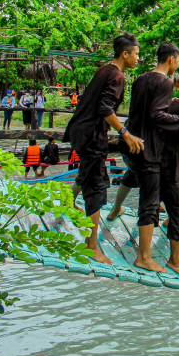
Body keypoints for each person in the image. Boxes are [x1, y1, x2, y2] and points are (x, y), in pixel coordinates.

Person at [115, 44, 179, 274]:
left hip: (137, 145)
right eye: (178, 60)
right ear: (172, 59)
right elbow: (156, 115)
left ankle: (166, 258)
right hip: (152, 150)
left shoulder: (140, 79)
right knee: (153, 204)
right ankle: (145, 257)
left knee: (158, 203)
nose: (178, 64)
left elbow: (144, 112)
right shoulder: (165, 82)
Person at [63, 33, 143, 265]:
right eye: (136, 53)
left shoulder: (105, 70)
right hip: (90, 135)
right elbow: (105, 107)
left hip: (81, 131)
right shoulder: (117, 76)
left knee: (89, 174)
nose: (138, 58)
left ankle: (68, 200)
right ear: (125, 54)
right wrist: (125, 133)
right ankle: (91, 246)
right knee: (97, 187)